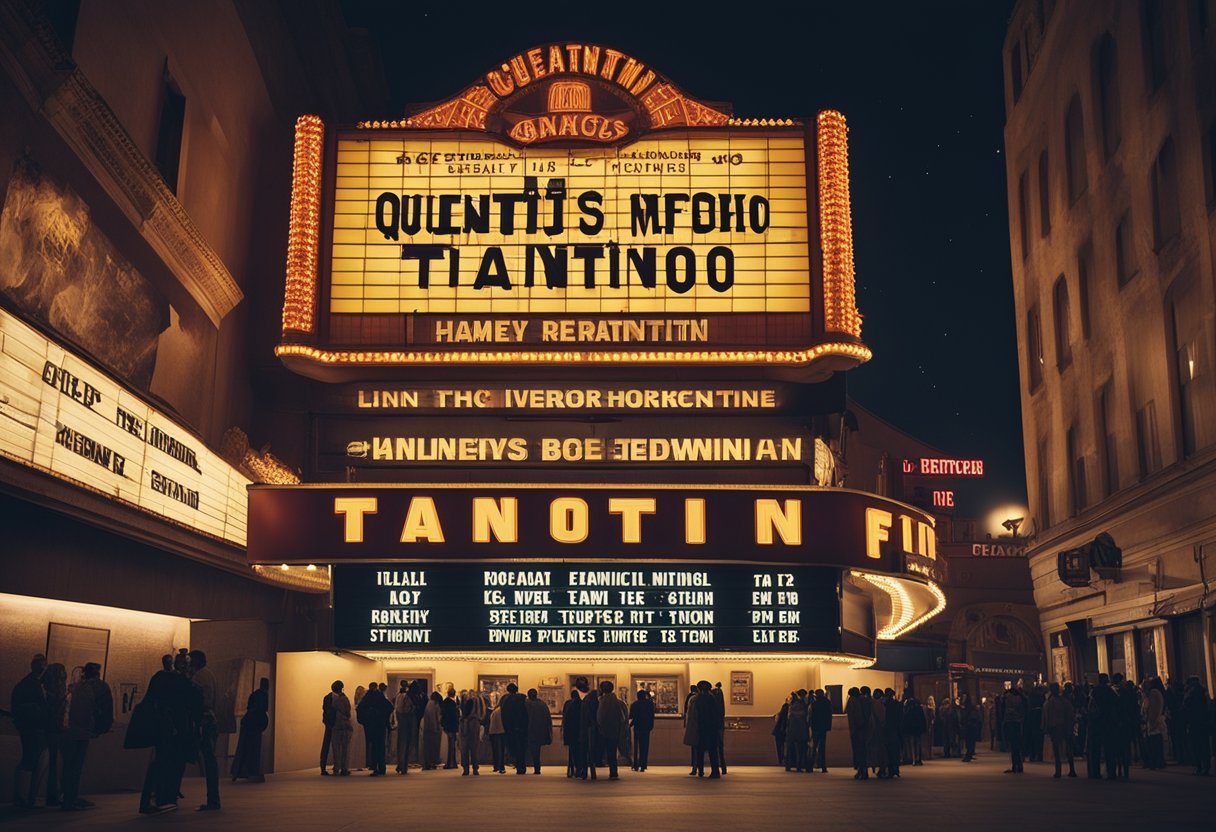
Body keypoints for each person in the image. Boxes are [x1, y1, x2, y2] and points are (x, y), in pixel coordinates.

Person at [59, 661, 112, 812]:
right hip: (82, 732)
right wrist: (98, 728)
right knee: (75, 767)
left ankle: (66, 797)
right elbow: (99, 710)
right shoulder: (97, 687)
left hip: (67, 730)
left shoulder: (76, 687)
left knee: (68, 766)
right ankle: (71, 799)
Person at [10, 653, 48, 809]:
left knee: (28, 760)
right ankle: (27, 797)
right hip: (34, 728)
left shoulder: (24, 684)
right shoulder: (35, 685)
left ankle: (22, 796)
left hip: (27, 727)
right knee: (32, 760)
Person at [188, 650, 220, 811]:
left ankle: (213, 800)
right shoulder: (210, 674)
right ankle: (214, 799)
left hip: (203, 722)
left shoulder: (198, 677)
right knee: (210, 760)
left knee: (208, 759)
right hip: (211, 721)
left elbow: (198, 700)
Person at [231, 677, 269, 782]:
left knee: (243, 747)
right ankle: (252, 771)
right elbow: (263, 709)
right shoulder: (263, 695)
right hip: (255, 725)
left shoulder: (255, 694)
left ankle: (238, 771)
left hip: (248, 723)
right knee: (254, 748)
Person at [41, 663, 67, 808]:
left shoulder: (46, 689)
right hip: (56, 729)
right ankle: (55, 795)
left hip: (51, 729)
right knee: (56, 764)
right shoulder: (55, 692)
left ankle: (53, 795)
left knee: (53, 764)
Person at [357, 682, 392, 775]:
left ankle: (375, 767)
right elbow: (390, 707)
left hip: (371, 726)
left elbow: (360, 709)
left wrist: (365, 721)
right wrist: (384, 718)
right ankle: (382, 767)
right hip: (380, 725)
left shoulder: (367, 698)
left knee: (373, 746)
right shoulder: (380, 697)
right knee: (381, 746)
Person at [1042, 682, 1076, 778]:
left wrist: (1046, 727)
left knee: (1057, 750)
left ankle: (1058, 771)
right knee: (1069, 748)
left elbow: (1046, 716)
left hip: (1055, 727)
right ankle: (1072, 769)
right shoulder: (1065, 701)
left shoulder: (1049, 702)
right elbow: (1071, 713)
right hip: (1066, 726)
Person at [1087, 673, 1116, 779]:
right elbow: (1115, 706)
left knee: (1095, 749)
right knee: (1109, 749)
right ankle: (1111, 771)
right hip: (1108, 723)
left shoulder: (1094, 691)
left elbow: (1090, 707)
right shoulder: (1110, 692)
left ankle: (1095, 772)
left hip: (1096, 723)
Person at [596, 680, 626, 779]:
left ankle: (599, 765)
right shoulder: (617, 702)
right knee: (612, 752)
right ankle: (613, 772)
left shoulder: (602, 701)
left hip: (604, 731)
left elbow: (600, 717)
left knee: (604, 751)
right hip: (615, 730)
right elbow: (622, 718)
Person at [693, 680, 722, 778]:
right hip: (712, 728)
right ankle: (715, 770)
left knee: (700, 750)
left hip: (702, 727)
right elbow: (717, 713)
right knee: (713, 750)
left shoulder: (698, 699)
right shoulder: (712, 698)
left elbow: (697, 714)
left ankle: (700, 770)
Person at [1182, 676, 1211, 775]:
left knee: (1197, 746)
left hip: (1194, 723)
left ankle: (1199, 766)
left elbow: (1185, 708)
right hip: (1203, 723)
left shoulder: (1190, 694)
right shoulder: (1203, 692)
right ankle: (1205, 766)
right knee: (1204, 746)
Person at [499, 682, 529, 774]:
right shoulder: (522, 698)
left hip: (510, 727)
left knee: (514, 747)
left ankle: (518, 765)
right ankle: (522, 766)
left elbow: (503, 714)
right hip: (521, 727)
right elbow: (525, 713)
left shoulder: (504, 699)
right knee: (522, 747)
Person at [524, 688, 553, 773]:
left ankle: (531, 766)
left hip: (529, 730)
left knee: (530, 749)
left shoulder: (526, 704)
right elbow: (548, 719)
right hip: (540, 731)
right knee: (537, 750)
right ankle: (537, 767)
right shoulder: (542, 704)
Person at [845, 687, 870, 779]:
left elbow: (854, 715)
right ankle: (864, 771)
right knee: (864, 751)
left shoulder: (853, 701)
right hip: (864, 729)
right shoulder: (865, 700)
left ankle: (860, 771)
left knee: (858, 751)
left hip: (857, 729)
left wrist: (855, 728)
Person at [329, 681, 353, 776]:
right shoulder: (344, 699)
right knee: (345, 749)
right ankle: (344, 768)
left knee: (336, 748)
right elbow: (348, 712)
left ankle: (336, 768)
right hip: (345, 726)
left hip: (335, 726)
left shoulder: (333, 699)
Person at [1001, 684, 1027, 774]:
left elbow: (1003, 710)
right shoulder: (1020, 699)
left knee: (1012, 745)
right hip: (1018, 723)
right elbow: (1023, 710)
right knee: (1017, 744)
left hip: (1009, 721)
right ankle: (1019, 765)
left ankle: (1014, 765)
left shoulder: (1006, 698)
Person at [1142, 677, 1166, 770]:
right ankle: (1159, 762)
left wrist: (1148, 718)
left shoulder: (1153, 693)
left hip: (1153, 722)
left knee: (1153, 744)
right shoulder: (1158, 692)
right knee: (1157, 743)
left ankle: (1155, 762)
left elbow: (1149, 707)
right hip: (1157, 720)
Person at [394, 681, 417, 774]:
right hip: (407, 721)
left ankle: (400, 764)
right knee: (406, 744)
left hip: (400, 720)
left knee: (400, 744)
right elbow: (408, 708)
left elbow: (397, 708)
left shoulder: (397, 696)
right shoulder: (406, 697)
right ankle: (403, 766)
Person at [629, 689, 655, 771]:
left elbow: (631, 716)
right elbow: (652, 716)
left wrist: (630, 725)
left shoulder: (634, 704)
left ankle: (636, 764)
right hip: (646, 727)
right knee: (645, 746)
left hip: (637, 726)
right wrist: (651, 726)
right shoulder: (650, 704)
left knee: (636, 746)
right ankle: (643, 764)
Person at [784, 690, 809, 772]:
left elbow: (788, 718)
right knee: (800, 749)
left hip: (792, 729)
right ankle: (799, 765)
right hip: (801, 729)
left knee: (790, 748)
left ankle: (788, 765)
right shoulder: (803, 706)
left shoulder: (791, 705)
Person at [459, 694, 484, 775]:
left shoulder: (463, 720)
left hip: (465, 731)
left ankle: (466, 769)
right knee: (474, 749)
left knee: (464, 750)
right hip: (473, 729)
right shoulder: (475, 719)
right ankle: (475, 768)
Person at [580, 683, 600, 780]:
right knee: (592, 750)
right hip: (592, 729)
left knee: (584, 751)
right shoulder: (595, 703)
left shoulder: (585, 702)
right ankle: (592, 771)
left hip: (584, 728)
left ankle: (584, 771)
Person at [810, 689, 832, 772]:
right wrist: (828, 727)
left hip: (815, 727)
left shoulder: (814, 703)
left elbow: (812, 716)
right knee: (822, 747)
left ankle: (811, 766)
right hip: (823, 727)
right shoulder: (827, 702)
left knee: (814, 746)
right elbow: (829, 715)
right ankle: (823, 766)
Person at [901, 691, 925, 766]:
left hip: (911, 728)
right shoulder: (919, 708)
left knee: (912, 744)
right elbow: (922, 719)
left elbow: (905, 719)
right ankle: (918, 759)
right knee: (918, 743)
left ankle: (914, 759)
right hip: (918, 728)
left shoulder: (908, 709)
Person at [562, 689, 582, 777]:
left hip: (571, 731)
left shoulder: (568, 704)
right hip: (580, 731)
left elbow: (565, 718)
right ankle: (579, 768)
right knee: (580, 751)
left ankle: (573, 768)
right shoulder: (582, 704)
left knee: (572, 751)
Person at [440, 688, 460, 769]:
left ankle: (450, 763)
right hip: (452, 726)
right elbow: (454, 716)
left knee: (450, 745)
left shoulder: (445, 702)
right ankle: (452, 763)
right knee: (452, 745)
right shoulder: (452, 703)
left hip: (447, 726)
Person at [421, 691, 443, 769]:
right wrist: (437, 728)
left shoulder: (428, 704)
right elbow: (435, 718)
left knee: (427, 747)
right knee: (434, 747)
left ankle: (427, 763)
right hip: (433, 729)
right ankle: (432, 762)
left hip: (427, 728)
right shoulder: (435, 705)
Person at [868, 689, 887, 777]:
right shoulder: (882, 703)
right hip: (880, 729)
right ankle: (882, 768)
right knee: (881, 750)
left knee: (876, 750)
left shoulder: (871, 703)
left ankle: (877, 767)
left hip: (875, 730)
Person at [320, 679, 337, 775]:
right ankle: (325, 766)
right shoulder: (336, 698)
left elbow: (325, 710)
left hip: (329, 723)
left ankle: (324, 765)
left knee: (327, 744)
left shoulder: (327, 697)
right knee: (332, 745)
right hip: (332, 724)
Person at [960, 692, 982, 763]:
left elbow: (968, 717)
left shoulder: (968, 708)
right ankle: (969, 754)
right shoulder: (971, 707)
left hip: (970, 726)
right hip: (971, 726)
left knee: (969, 741)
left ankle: (968, 755)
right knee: (970, 741)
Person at [712, 682, 727, 774]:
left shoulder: (711, 698)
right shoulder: (719, 695)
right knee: (720, 747)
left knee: (713, 748)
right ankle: (723, 767)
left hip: (713, 727)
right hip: (719, 726)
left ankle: (716, 768)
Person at [771, 699, 789, 766]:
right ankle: (784, 760)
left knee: (779, 747)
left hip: (778, 731)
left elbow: (777, 721)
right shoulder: (788, 713)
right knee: (785, 747)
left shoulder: (779, 714)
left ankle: (781, 761)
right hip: (784, 731)